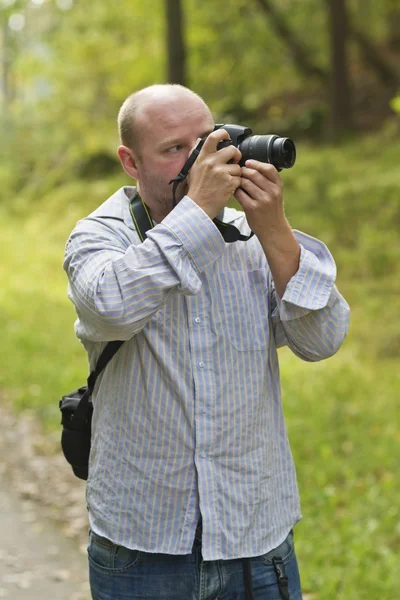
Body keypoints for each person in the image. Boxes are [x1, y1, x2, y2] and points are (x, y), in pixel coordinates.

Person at [63, 84, 350, 600]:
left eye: (206, 141)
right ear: (130, 161)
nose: (200, 161)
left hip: (254, 536)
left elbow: (322, 339)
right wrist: (198, 212)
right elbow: (109, 305)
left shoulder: (250, 237)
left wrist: (276, 230)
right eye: (175, 149)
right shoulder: (99, 237)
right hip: (143, 543)